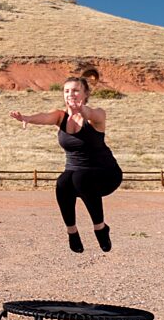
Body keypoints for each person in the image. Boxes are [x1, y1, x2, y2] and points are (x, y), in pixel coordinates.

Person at [10, 75, 122, 252]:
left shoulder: (97, 115)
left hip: (106, 174)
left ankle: (100, 228)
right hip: (77, 175)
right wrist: (28, 118)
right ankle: (72, 232)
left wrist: (82, 110)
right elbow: (45, 117)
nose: (71, 94)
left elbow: (91, 114)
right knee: (62, 182)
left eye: (76, 90)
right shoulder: (60, 117)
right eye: (67, 91)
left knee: (79, 178)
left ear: (86, 94)